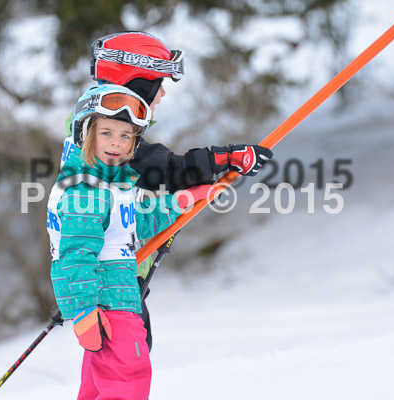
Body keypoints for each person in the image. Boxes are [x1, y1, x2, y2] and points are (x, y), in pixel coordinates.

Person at [77, 31, 275, 351]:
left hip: (113, 279)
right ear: (138, 84)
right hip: (111, 283)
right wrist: (224, 158)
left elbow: (161, 169)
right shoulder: (108, 142)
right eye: (159, 84)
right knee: (130, 365)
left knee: (114, 368)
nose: (163, 94)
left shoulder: (92, 128)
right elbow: (169, 169)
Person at [47, 83, 212, 400]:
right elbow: (76, 256)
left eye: (126, 136)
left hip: (117, 296)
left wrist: (180, 201)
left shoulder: (113, 182)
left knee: (101, 385)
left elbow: (134, 223)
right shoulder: (86, 190)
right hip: (106, 303)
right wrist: (82, 312)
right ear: (86, 133)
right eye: (106, 132)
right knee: (129, 377)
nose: (116, 143)